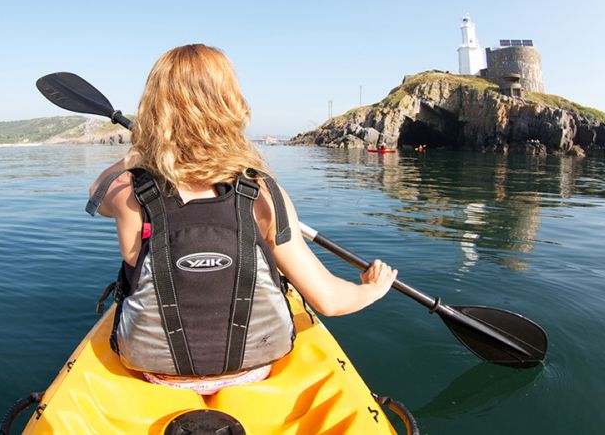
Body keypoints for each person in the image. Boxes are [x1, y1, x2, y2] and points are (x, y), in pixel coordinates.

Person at [89, 44, 397, 394]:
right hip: (252, 370)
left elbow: (96, 192)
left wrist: (139, 152)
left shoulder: (130, 194)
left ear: (155, 110)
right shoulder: (265, 195)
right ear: (230, 105)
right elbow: (330, 301)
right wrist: (372, 289)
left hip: (155, 372)